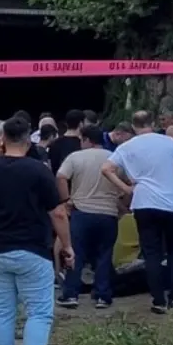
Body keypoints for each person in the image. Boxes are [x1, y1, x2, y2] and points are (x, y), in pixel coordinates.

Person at [0, 117, 72, 345]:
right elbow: (57, 213)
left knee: (2, 313)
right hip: (32, 249)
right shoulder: (39, 170)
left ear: (2, 140)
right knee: (39, 314)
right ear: (28, 140)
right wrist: (67, 246)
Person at [101, 111, 173, 313]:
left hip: (144, 203)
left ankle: (158, 300)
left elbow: (106, 168)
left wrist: (126, 189)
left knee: (151, 253)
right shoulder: (169, 142)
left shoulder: (126, 147)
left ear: (134, 127)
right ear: (152, 123)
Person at [55, 125, 121, 309]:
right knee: (104, 254)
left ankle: (71, 294)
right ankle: (102, 295)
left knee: (76, 253)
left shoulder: (76, 157)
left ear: (86, 140)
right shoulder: (114, 157)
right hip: (108, 212)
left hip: (81, 211)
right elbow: (126, 182)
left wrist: (66, 199)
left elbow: (60, 177)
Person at [46, 109, 85, 174]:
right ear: (81, 124)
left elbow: (51, 167)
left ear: (66, 123)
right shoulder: (82, 144)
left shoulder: (54, 143)